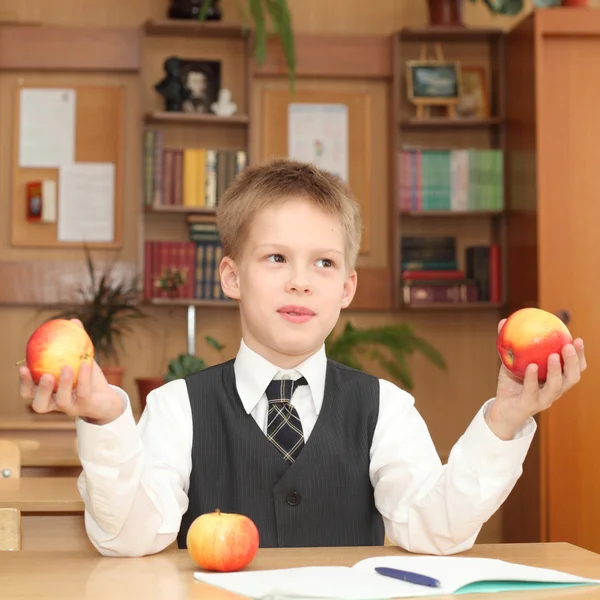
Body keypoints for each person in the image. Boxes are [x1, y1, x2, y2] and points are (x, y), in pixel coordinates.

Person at [18, 159, 586, 558]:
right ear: (232, 277)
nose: (299, 283)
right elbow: (128, 538)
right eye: (275, 258)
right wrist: (105, 418)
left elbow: (435, 530)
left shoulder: (384, 408)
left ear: (347, 287)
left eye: (323, 264)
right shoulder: (176, 409)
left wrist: (504, 421)